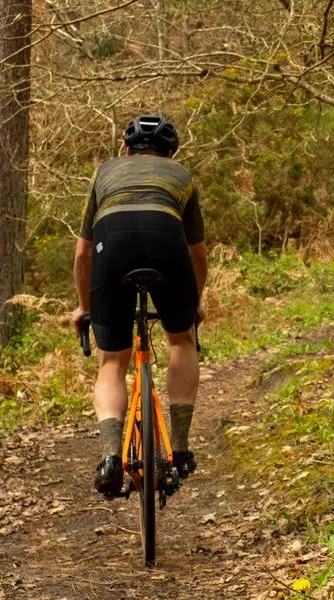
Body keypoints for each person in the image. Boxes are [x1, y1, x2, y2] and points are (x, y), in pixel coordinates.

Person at [71, 115, 207, 497]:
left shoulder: (105, 173)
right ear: (170, 152)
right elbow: (198, 256)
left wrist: (84, 307)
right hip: (168, 246)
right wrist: (193, 305)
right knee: (181, 340)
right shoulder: (180, 176)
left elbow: (82, 255)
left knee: (113, 361)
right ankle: (179, 451)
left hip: (110, 247)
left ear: (126, 149)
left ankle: (111, 457)